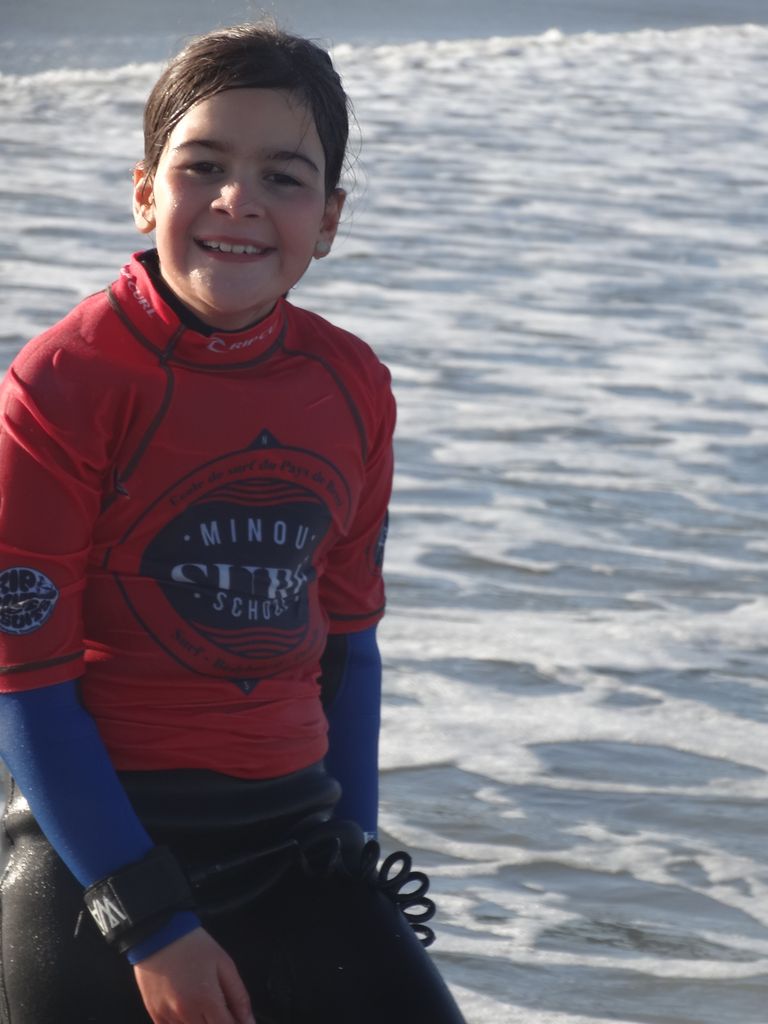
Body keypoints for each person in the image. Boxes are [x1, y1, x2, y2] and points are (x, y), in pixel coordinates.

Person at [0, 22, 466, 1024]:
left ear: (328, 219)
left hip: (292, 833)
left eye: (282, 178)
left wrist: (354, 859)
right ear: (144, 191)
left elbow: (349, 646)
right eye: (202, 166)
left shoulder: (352, 386)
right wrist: (149, 921)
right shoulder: (63, 384)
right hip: (88, 844)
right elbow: (26, 682)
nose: (237, 201)